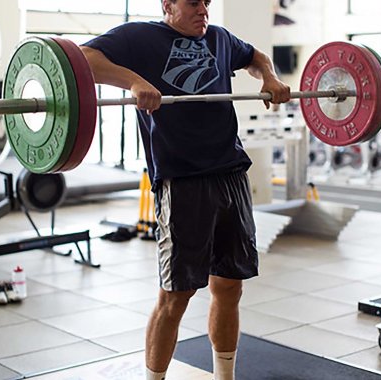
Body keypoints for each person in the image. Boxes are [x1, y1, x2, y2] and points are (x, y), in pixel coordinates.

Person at [80, 1, 290, 379]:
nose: (203, 10)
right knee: (176, 295)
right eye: (193, 3)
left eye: (207, 2)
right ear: (168, 5)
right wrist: (133, 81)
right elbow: (84, 58)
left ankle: (224, 376)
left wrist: (269, 79)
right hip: (183, 179)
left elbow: (256, 57)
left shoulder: (221, 39)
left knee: (229, 286)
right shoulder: (139, 37)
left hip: (231, 173)